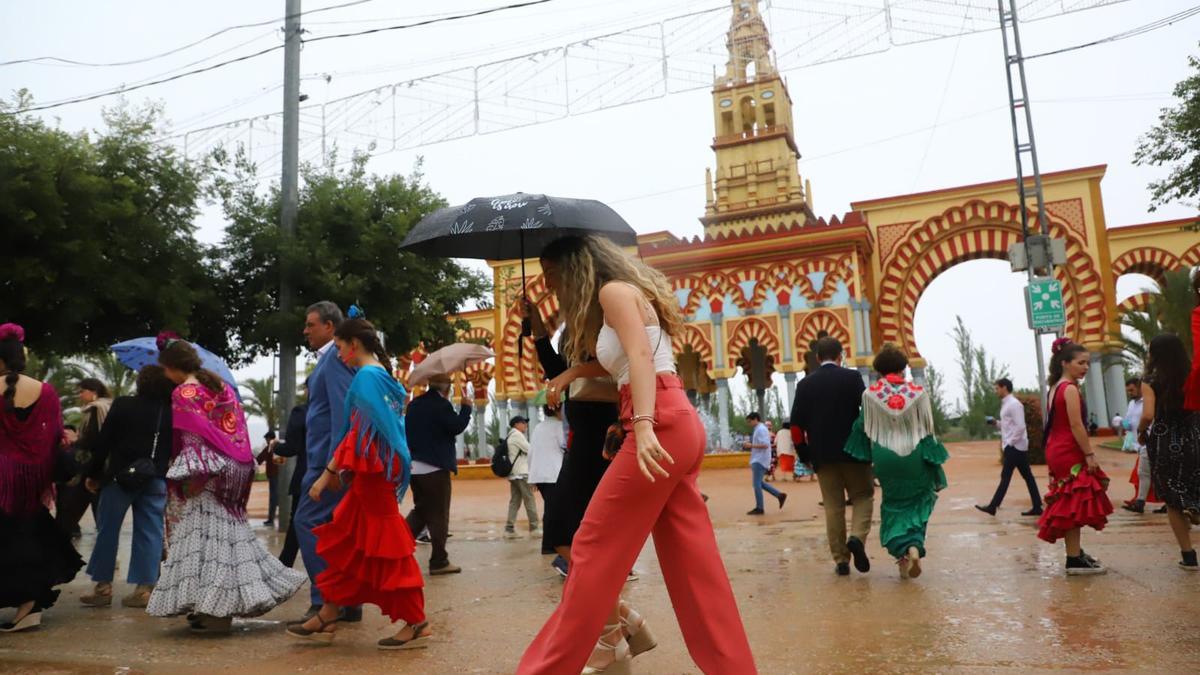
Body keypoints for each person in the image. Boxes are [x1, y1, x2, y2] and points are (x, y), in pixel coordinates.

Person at [518, 235, 755, 675]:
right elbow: (623, 363)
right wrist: (573, 372)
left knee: (590, 547)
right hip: (672, 421)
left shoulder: (613, 292)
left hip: (660, 422)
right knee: (692, 563)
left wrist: (643, 425)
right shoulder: (621, 295)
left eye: (551, 274)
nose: (548, 285)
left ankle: (549, 668)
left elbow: (642, 356)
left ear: (576, 266)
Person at [287, 317, 431, 648]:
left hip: (374, 476)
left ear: (354, 344)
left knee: (390, 549)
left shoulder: (367, 377)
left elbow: (358, 432)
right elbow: (369, 432)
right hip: (373, 474)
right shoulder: (380, 374)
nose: (338, 355)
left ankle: (417, 619)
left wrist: (328, 473)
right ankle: (329, 611)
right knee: (350, 542)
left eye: (338, 347)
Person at [147, 335, 305, 631]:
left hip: (209, 473)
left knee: (208, 539)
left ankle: (217, 613)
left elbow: (194, 440)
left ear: (172, 366)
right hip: (236, 466)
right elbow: (235, 430)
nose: (165, 375)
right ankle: (214, 607)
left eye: (165, 369)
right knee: (228, 536)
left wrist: (197, 476)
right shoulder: (219, 385)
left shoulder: (184, 393)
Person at [523, 284, 621, 581]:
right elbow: (558, 370)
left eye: (557, 274)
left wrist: (573, 373)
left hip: (602, 429)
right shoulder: (572, 328)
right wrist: (539, 328)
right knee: (560, 526)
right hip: (581, 431)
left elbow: (615, 364)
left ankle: (604, 587)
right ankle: (602, 584)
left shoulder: (604, 317)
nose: (555, 283)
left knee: (576, 521)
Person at [0, 323, 83, 632]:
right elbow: (54, 437)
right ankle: (30, 605)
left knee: (8, 540)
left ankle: (26, 603)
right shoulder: (45, 391)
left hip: (1, 479)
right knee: (29, 535)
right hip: (33, 480)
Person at [844, 345, 948, 579]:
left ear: (878, 369)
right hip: (914, 455)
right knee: (918, 501)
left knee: (893, 504)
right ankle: (914, 546)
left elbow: (862, 429)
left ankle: (902, 556)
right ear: (903, 367)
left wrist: (864, 457)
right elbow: (928, 431)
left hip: (885, 456)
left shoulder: (870, 395)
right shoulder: (918, 393)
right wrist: (934, 463)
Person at [79, 365, 174, 609]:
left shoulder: (123, 404)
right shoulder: (169, 411)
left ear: (140, 383)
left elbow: (104, 443)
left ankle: (103, 588)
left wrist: (93, 474)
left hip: (120, 478)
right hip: (155, 478)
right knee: (150, 532)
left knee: (107, 530)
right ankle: (144, 590)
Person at [293, 301, 360, 624]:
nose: (305, 331)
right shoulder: (331, 359)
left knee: (307, 522)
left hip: (325, 462)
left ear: (330, 327)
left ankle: (326, 600)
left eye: (311, 324)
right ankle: (346, 600)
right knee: (337, 529)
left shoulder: (334, 359)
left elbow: (342, 413)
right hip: (325, 460)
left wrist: (336, 465)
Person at [789, 336, 872, 576]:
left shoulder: (805, 385)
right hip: (855, 453)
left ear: (817, 358)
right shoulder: (852, 378)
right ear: (840, 356)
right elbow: (867, 414)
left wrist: (805, 454)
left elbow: (796, 426)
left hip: (823, 456)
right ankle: (856, 537)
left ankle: (841, 560)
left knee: (833, 507)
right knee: (863, 496)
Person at [1037, 339, 1113, 575]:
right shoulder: (1068, 388)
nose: (1086, 367)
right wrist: (1089, 454)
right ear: (1065, 363)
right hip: (1068, 449)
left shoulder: (1055, 387)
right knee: (1073, 502)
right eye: (1081, 363)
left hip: (1056, 448)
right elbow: (1076, 425)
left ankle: (1075, 553)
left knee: (1070, 503)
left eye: (1088, 363)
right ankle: (1073, 559)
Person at [1137, 334, 1200, 570]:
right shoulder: (1193, 375)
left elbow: (1148, 415)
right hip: (1195, 436)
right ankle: (1194, 507)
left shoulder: (1151, 380)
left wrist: (1141, 430)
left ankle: (1189, 555)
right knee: (1196, 485)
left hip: (1166, 442)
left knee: (1173, 500)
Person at [404, 373, 471, 575]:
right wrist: (466, 407)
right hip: (435, 467)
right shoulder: (441, 405)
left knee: (422, 511)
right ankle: (439, 561)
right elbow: (456, 426)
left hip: (414, 467)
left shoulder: (414, 404)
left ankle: (398, 547)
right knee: (438, 515)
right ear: (447, 389)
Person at [975, 378, 1042, 517]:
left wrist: (1010, 443)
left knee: (1006, 477)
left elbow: (1020, 426)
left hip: (1015, 447)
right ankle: (1037, 506)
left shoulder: (1014, 404)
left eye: (997, 388)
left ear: (1004, 387)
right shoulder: (1007, 404)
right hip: (1015, 446)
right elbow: (1008, 425)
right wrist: (995, 423)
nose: (996, 391)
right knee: (1027, 477)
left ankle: (993, 506)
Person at [55, 377, 111, 537]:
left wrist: (75, 440)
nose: (80, 395)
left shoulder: (95, 408)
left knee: (69, 509)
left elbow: (92, 438)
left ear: (93, 391)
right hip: (106, 466)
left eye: (82, 391)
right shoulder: (109, 405)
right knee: (100, 511)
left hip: (89, 465)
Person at [271, 398, 309, 568]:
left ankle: (284, 567)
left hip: (306, 476)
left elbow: (292, 448)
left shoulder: (302, 412)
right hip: (336, 476)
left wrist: (275, 446)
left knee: (297, 523)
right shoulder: (339, 409)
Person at [528, 405, 566, 560]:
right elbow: (565, 446)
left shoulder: (538, 427)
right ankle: (550, 545)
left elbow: (532, 452)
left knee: (551, 509)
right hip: (554, 474)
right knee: (555, 511)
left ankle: (549, 544)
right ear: (557, 410)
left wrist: (532, 476)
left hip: (540, 475)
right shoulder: (558, 426)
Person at [1120, 378, 1158, 513]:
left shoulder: (1149, 401)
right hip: (1140, 443)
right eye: (1128, 391)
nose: (1130, 393)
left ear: (1140, 387)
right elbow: (1128, 421)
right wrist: (1123, 424)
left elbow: (1148, 417)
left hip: (1151, 440)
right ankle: (1141, 501)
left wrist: (1142, 430)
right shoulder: (1131, 404)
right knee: (1145, 473)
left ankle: (1140, 502)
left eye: (1132, 389)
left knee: (1144, 472)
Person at [504, 416, 541, 539]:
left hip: (514, 474)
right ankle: (534, 528)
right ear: (516, 424)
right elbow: (530, 450)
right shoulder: (517, 435)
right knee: (529, 499)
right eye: (523, 423)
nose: (525, 425)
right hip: (521, 473)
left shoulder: (510, 435)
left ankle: (509, 529)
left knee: (514, 501)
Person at [744, 412, 786, 515]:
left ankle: (760, 507)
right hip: (759, 459)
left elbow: (765, 445)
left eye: (750, 421)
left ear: (755, 419)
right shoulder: (760, 428)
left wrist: (751, 445)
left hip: (760, 459)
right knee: (759, 483)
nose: (749, 424)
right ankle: (779, 495)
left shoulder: (761, 429)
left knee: (756, 484)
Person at [256, 430, 280, 527]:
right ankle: (271, 519)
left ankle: (271, 520)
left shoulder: (274, 447)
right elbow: (260, 458)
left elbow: (260, 458)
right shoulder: (272, 447)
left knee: (273, 498)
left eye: (267, 439)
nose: (266, 441)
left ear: (270, 438)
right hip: (274, 476)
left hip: (275, 476)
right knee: (275, 498)